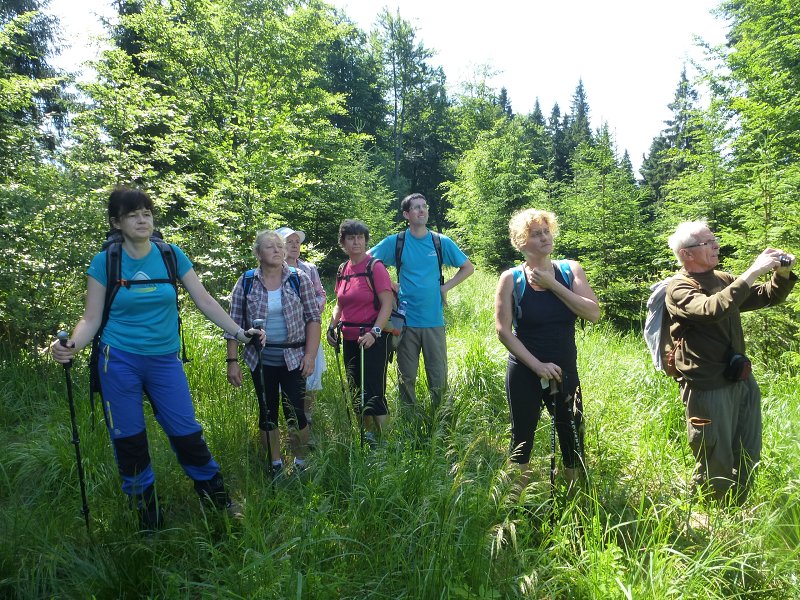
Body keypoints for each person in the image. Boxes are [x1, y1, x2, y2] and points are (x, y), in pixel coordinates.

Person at [50, 187, 262, 530]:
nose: (142, 220)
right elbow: (90, 319)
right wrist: (71, 345)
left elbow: (205, 301)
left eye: (146, 213)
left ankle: (217, 499)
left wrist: (240, 334)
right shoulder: (106, 261)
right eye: (133, 214)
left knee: (186, 431)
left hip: (165, 360)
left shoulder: (170, 254)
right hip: (118, 360)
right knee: (130, 438)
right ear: (116, 222)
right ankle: (148, 516)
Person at [665, 221, 796, 505]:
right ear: (686, 254)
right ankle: (710, 517)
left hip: (740, 378)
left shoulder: (722, 279)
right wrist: (753, 271)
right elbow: (711, 309)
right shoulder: (679, 288)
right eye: (707, 243)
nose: (716, 246)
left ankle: (740, 508)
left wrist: (781, 273)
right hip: (708, 386)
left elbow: (765, 295)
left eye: (715, 240)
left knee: (748, 448)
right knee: (715, 454)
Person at [494, 208, 600, 494]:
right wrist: (538, 366)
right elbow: (503, 331)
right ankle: (515, 505)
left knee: (572, 434)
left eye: (546, 231)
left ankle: (574, 500)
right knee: (522, 438)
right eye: (535, 234)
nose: (544, 238)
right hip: (525, 369)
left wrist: (553, 285)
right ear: (521, 242)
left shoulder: (569, 270)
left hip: (565, 368)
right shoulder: (511, 279)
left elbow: (593, 313)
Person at [369, 193, 474, 418]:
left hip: (434, 321)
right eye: (416, 208)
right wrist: (390, 285)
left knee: (438, 376)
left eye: (424, 207)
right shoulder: (396, 242)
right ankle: (410, 425)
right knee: (406, 377)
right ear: (406, 214)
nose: (421, 211)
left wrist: (445, 288)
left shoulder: (440, 242)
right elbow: (369, 263)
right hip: (404, 322)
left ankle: (442, 424)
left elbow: (468, 267)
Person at [225, 230, 321, 476]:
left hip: (294, 359)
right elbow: (232, 324)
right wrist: (232, 361)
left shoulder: (299, 278)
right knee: (267, 411)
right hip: (261, 360)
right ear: (258, 253)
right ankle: (275, 464)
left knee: (296, 410)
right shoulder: (246, 282)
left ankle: (300, 462)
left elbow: (313, 318)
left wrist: (310, 355)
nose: (277, 250)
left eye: (279, 246)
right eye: (270, 247)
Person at [326, 219, 394, 445]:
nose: (356, 242)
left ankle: (386, 444)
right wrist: (332, 325)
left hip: (374, 339)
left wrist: (375, 332)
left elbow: (386, 303)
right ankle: (368, 438)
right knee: (356, 391)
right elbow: (340, 302)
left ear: (366, 241)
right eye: (351, 238)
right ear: (343, 243)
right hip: (350, 339)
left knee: (374, 391)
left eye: (360, 237)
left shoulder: (375, 267)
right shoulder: (342, 270)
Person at [277, 226, 326, 433]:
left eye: (297, 242)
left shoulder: (309, 269)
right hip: (285, 336)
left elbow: (321, 294)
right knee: (287, 380)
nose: (295, 245)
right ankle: (293, 422)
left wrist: (309, 307)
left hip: (310, 332)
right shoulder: (274, 271)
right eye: (290, 241)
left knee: (312, 377)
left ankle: (307, 419)